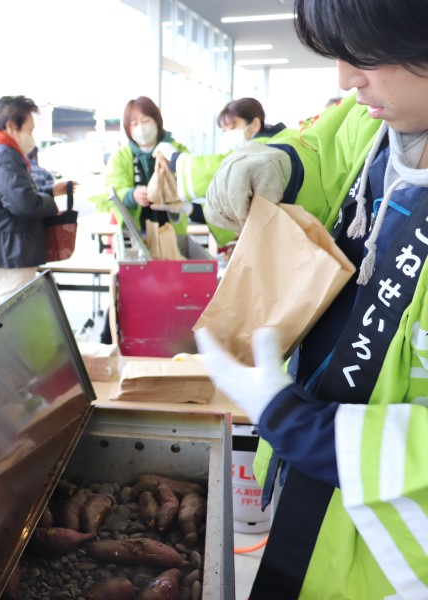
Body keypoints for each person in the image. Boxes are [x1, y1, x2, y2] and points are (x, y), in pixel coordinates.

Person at [194, 0, 428, 597]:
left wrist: (306, 428)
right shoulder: (379, 114)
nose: (346, 80)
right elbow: (326, 152)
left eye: (368, 55)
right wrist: (275, 164)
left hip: (397, 561)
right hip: (316, 504)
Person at [0, 95, 59, 303]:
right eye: (29, 130)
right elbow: (24, 204)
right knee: (11, 313)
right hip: (10, 254)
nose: (31, 137)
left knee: (4, 309)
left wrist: (49, 191)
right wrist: (50, 201)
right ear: (11, 126)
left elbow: (8, 195)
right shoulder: (5, 154)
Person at [167, 97, 290, 245]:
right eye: (223, 130)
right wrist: (192, 209)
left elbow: (224, 173)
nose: (226, 135)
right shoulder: (281, 139)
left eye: (232, 128)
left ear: (255, 124)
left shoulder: (263, 150)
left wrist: (176, 160)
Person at [106, 96, 190, 235]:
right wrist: (132, 195)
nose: (141, 128)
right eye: (134, 123)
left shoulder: (177, 151)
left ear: (157, 121)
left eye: (146, 121)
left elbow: (191, 181)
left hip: (173, 230)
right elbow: (114, 190)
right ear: (128, 128)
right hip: (137, 232)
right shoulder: (119, 157)